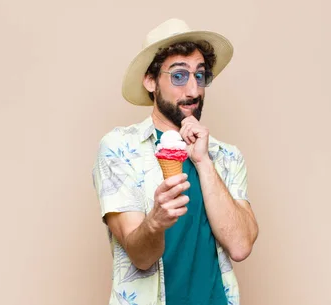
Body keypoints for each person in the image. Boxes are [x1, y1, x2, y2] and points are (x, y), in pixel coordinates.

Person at [92, 18, 259, 305]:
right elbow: (141, 257)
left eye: (200, 75)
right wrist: (155, 222)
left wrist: (203, 161)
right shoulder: (119, 148)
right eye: (179, 76)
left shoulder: (226, 156)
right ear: (150, 80)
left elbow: (241, 245)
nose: (193, 91)